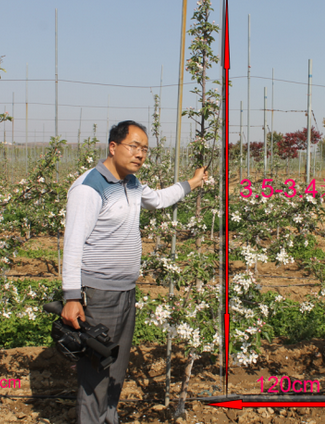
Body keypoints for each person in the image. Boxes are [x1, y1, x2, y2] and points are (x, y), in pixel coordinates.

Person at [60, 120, 207, 424]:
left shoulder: (132, 183)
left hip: (126, 291)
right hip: (98, 294)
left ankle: (108, 419)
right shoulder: (89, 188)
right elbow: (72, 245)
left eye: (145, 149)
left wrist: (192, 182)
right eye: (134, 146)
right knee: (95, 373)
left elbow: (160, 199)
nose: (140, 154)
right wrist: (72, 297)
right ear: (113, 147)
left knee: (115, 369)